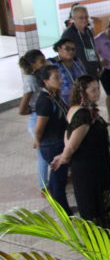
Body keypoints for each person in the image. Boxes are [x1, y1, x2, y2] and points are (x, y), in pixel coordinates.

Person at [50, 75, 110, 229]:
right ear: (82, 92)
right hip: (91, 167)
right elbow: (72, 143)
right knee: (95, 201)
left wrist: (64, 154)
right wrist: (64, 157)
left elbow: (68, 134)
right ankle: (103, 236)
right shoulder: (84, 114)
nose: (97, 93)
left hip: (89, 164)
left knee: (91, 200)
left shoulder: (76, 109)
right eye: (93, 90)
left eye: (98, 88)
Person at [33, 65, 72, 215]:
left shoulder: (53, 95)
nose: (61, 80)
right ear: (45, 81)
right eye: (56, 78)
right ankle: (64, 212)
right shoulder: (44, 101)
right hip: (52, 145)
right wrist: (38, 141)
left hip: (57, 141)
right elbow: (39, 127)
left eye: (60, 76)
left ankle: (62, 208)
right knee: (58, 178)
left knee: (58, 177)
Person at [18, 49, 48, 191]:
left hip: (44, 115)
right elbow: (22, 109)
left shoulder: (40, 75)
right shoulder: (31, 80)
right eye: (41, 61)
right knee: (42, 155)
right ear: (33, 65)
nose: (45, 63)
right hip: (37, 118)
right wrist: (34, 109)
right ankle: (43, 186)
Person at [60, 5, 101, 77]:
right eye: (81, 18)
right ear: (73, 19)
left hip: (93, 71)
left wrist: (98, 65)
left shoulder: (88, 30)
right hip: (80, 74)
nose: (84, 20)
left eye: (86, 17)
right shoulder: (68, 34)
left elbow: (93, 49)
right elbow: (64, 57)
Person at [49, 38, 87, 107]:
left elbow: (86, 77)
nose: (71, 51)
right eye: (67, 49)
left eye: (73, 49)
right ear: (58, 48)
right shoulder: (51, 63)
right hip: (63, 102)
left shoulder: (77, 61)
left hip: (81, 99)